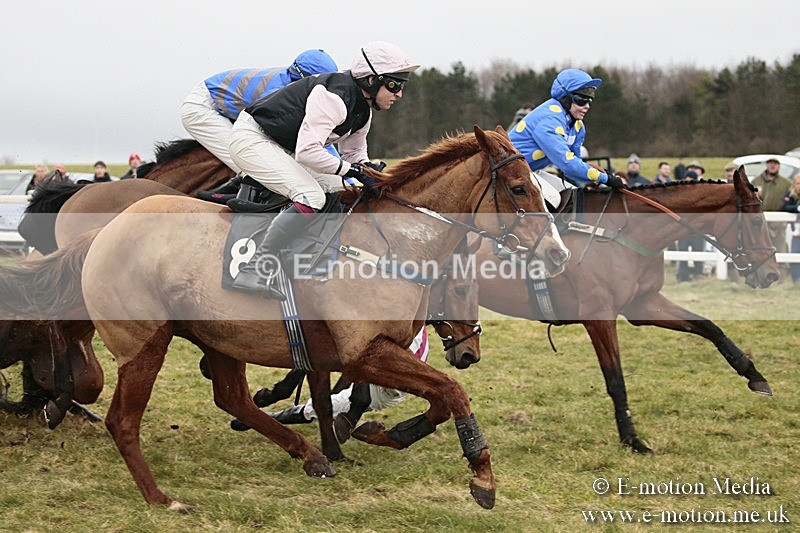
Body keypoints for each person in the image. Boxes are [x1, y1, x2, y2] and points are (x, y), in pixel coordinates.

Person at [228, 41, 418, 299]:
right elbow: (308, 152)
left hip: (283, 146)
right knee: (312, 196)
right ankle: (255, 268)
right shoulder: (334, 97)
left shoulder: (363, 110)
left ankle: (309, 257)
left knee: (344, 188)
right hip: (253, 139)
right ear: (372, 79)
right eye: (395, 85)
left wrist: (367, 169)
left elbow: (354, 154)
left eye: (402, 86)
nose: (399, 94)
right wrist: (350, 169)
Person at [181, 49, 339, 196]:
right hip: (202, 109)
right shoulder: (279, 92)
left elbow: (317, 139)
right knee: (254, 161)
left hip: (228, 108)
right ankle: (220, 198)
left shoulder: (293, 84)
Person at [265, 328, 429, 434]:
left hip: (393, 384)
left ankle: (355, 412)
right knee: (315, 409)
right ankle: (266, 418)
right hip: (383, 382)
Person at [507, 68, 625, 209]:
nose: (587, 106)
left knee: (575, 194)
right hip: (509, 175)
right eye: (581, 99)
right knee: (554, 198)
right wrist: (605, 178)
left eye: (590, 100)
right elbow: (567, 164)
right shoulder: (549, 120)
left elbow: (575, 165)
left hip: (528, 172)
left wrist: (599, 177)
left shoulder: (578, 126)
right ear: (565, 97)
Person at [752, 157, 792, 256]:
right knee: (760, 250)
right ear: (767, 165)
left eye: (775, 163)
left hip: (778, 223)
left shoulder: (786, 183)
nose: (773, 165)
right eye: (770, 163)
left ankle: (782, 270)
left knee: (779, 249)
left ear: (779, 166)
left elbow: (792, 199)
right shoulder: (756, 181)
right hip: (760, 222)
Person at [782, 175, 800, 284]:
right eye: (798, 183)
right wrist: (797, 208)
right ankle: (796, 280)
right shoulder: (790, 196)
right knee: (794, 253)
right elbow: (784, 206)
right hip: (795, 232)